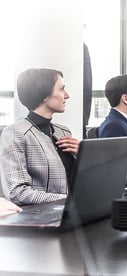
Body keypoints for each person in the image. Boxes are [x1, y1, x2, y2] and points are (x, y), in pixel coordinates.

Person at [0, 68, 80, 205]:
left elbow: (75, 180)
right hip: (41, 219)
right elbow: (17, 193)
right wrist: (69, 201)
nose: (67, 95)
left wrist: (83, 154)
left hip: (75, 215)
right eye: (61, 89)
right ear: (44, 95)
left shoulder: (63, 131)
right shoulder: (14, 133)